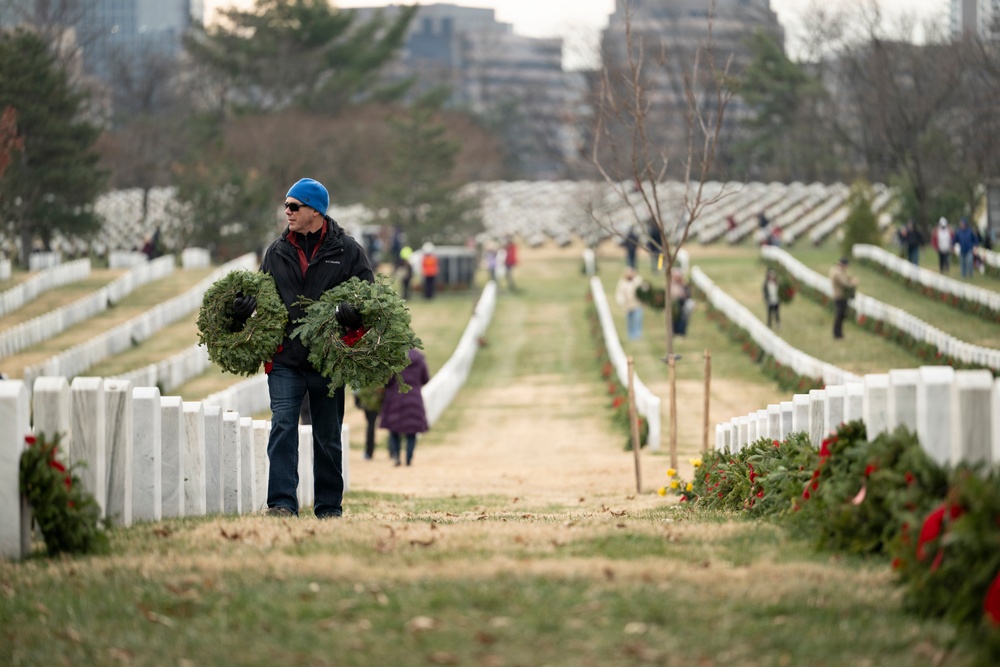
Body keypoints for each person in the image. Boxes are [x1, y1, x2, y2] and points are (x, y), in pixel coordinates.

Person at [233, 177, 374, 519]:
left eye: (294, 206)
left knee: (327, 436)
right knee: (283, 425)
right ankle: (282, 503)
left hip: (328, 359)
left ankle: (329, 508)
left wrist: (354, 313)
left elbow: (370, 300)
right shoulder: (276, 251)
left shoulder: (349, 251)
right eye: (286, 206)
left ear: (316, 211)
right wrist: (244, 306)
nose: (288, 212)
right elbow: (262, 296)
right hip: (285, 358)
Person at [379, 347, 430, 467]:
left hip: (395, 397)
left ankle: (396, 455)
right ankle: (409, 458)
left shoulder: (393, 357)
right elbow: (425, 378)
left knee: (394, 428)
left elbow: (386, 380)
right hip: (414, 396)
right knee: (412, 429)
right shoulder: (419, 358)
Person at [828, 257, 857, 340]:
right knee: (839, 315)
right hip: (839, 296)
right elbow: (844, 283)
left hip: (841, 296)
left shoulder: (839, 271)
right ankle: (837, 334)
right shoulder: (837, 273)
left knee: (841, 315)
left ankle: (838, 333)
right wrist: (852, 283)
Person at [354, 386, 384, 460]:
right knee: (371, 424)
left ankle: (369, 452)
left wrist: (357, 399)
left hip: (368, 398)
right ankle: (393, 451)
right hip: (378, 397)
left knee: (371, 424)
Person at [615, 266, 645, 341]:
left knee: (637, 320)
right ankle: (631, 336)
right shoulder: (622, 283)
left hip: (637, 305)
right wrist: (621, 301)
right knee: (630, 321)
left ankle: (638, 335)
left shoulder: (637, 281)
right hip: (628, 306)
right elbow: (619, 294)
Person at [669, 268, 691, 336]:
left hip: (682, 304)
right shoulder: (671, 284)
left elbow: (688, 295)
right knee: (674, 320)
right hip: (674, 305)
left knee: (683, 319)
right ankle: (674, 332)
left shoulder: (684, 284)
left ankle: (681, 333)